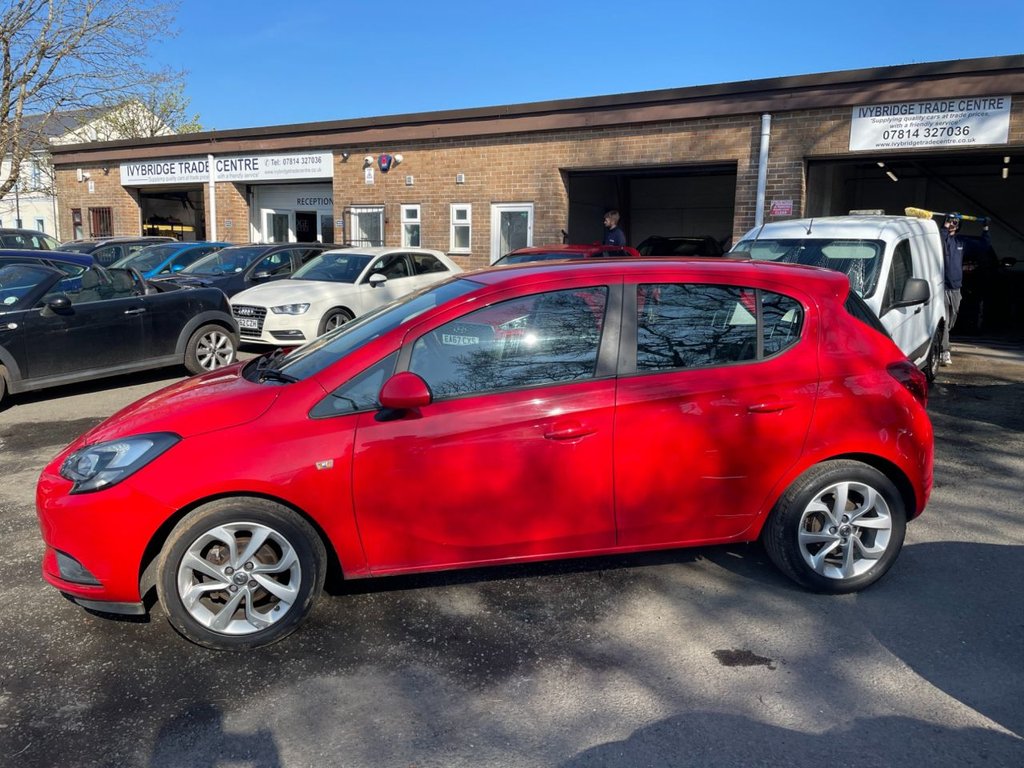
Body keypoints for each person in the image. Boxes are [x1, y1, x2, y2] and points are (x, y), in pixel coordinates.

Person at [938, 212, 989, 366]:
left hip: (955, 288)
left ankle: (942, 341)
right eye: (950, 221)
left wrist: (985, 228)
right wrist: (945, 227)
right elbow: (940, 238)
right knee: (944, 320)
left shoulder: (961, 242)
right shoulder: (939, 238)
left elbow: (984, 245)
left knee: (951, 320)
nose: (953, 224)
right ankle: (944, 351)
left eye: (955, 222)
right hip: (940, 287)